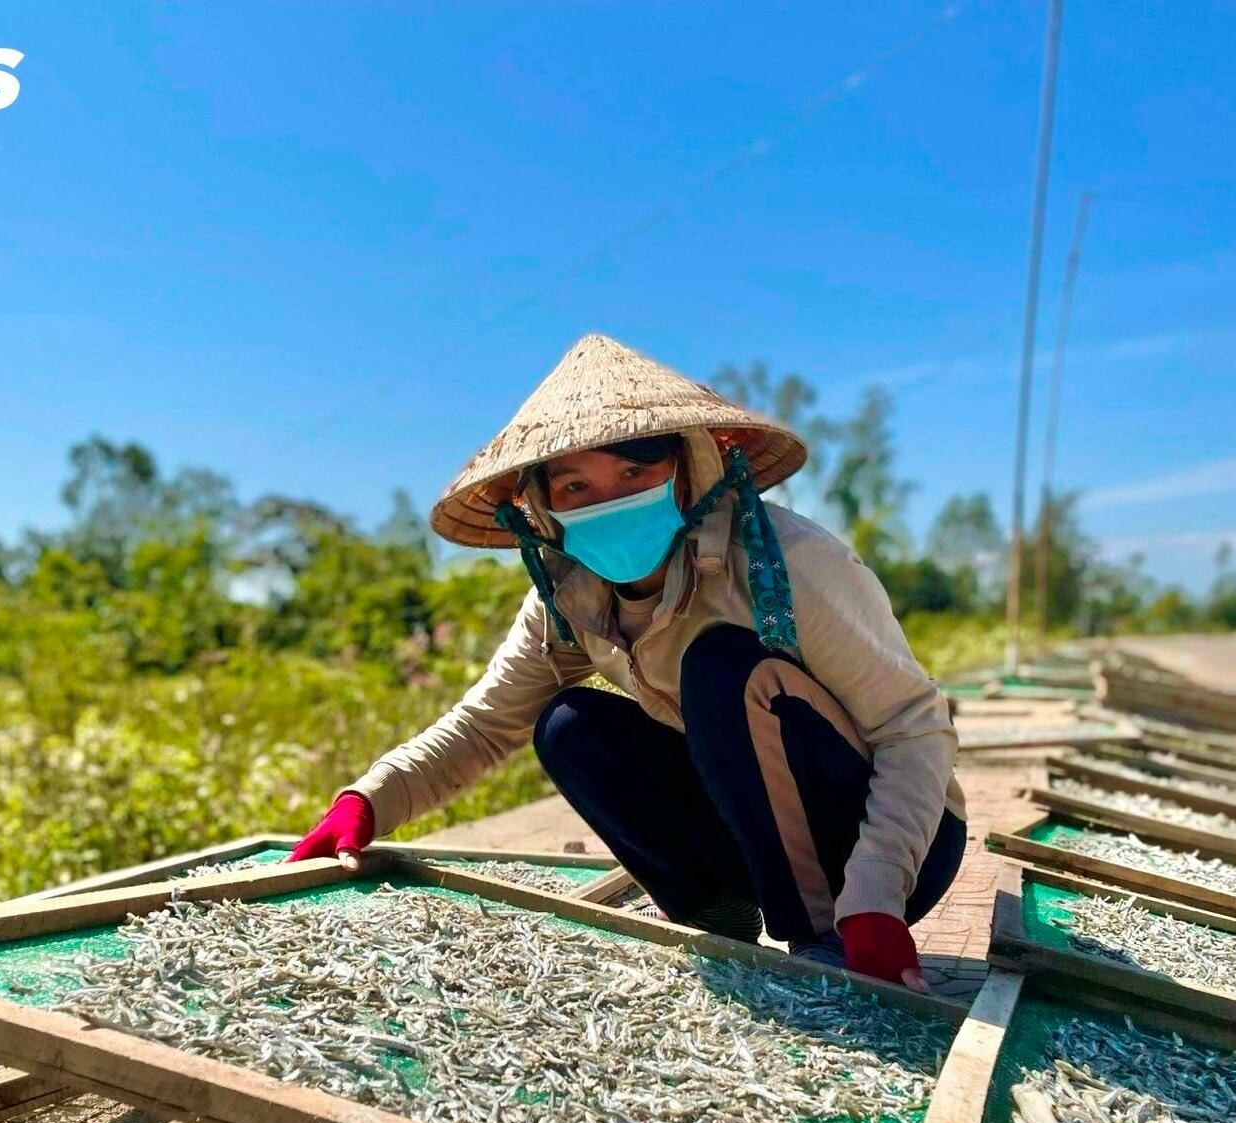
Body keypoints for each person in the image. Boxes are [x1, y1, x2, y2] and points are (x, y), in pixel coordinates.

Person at [291, 334, 966, 992]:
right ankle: (717, 914)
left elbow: (914, 728)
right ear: (543, 508)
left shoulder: (783, 563)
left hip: (897, 845)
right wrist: (367, 802)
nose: (606, 501)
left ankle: (820, 937)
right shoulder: (567, 597)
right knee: (568, 723)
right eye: (576, 485)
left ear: (687, 469)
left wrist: (875, 896)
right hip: (760, 827)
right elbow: (483, 726)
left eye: (634, 473)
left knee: (720, 666)